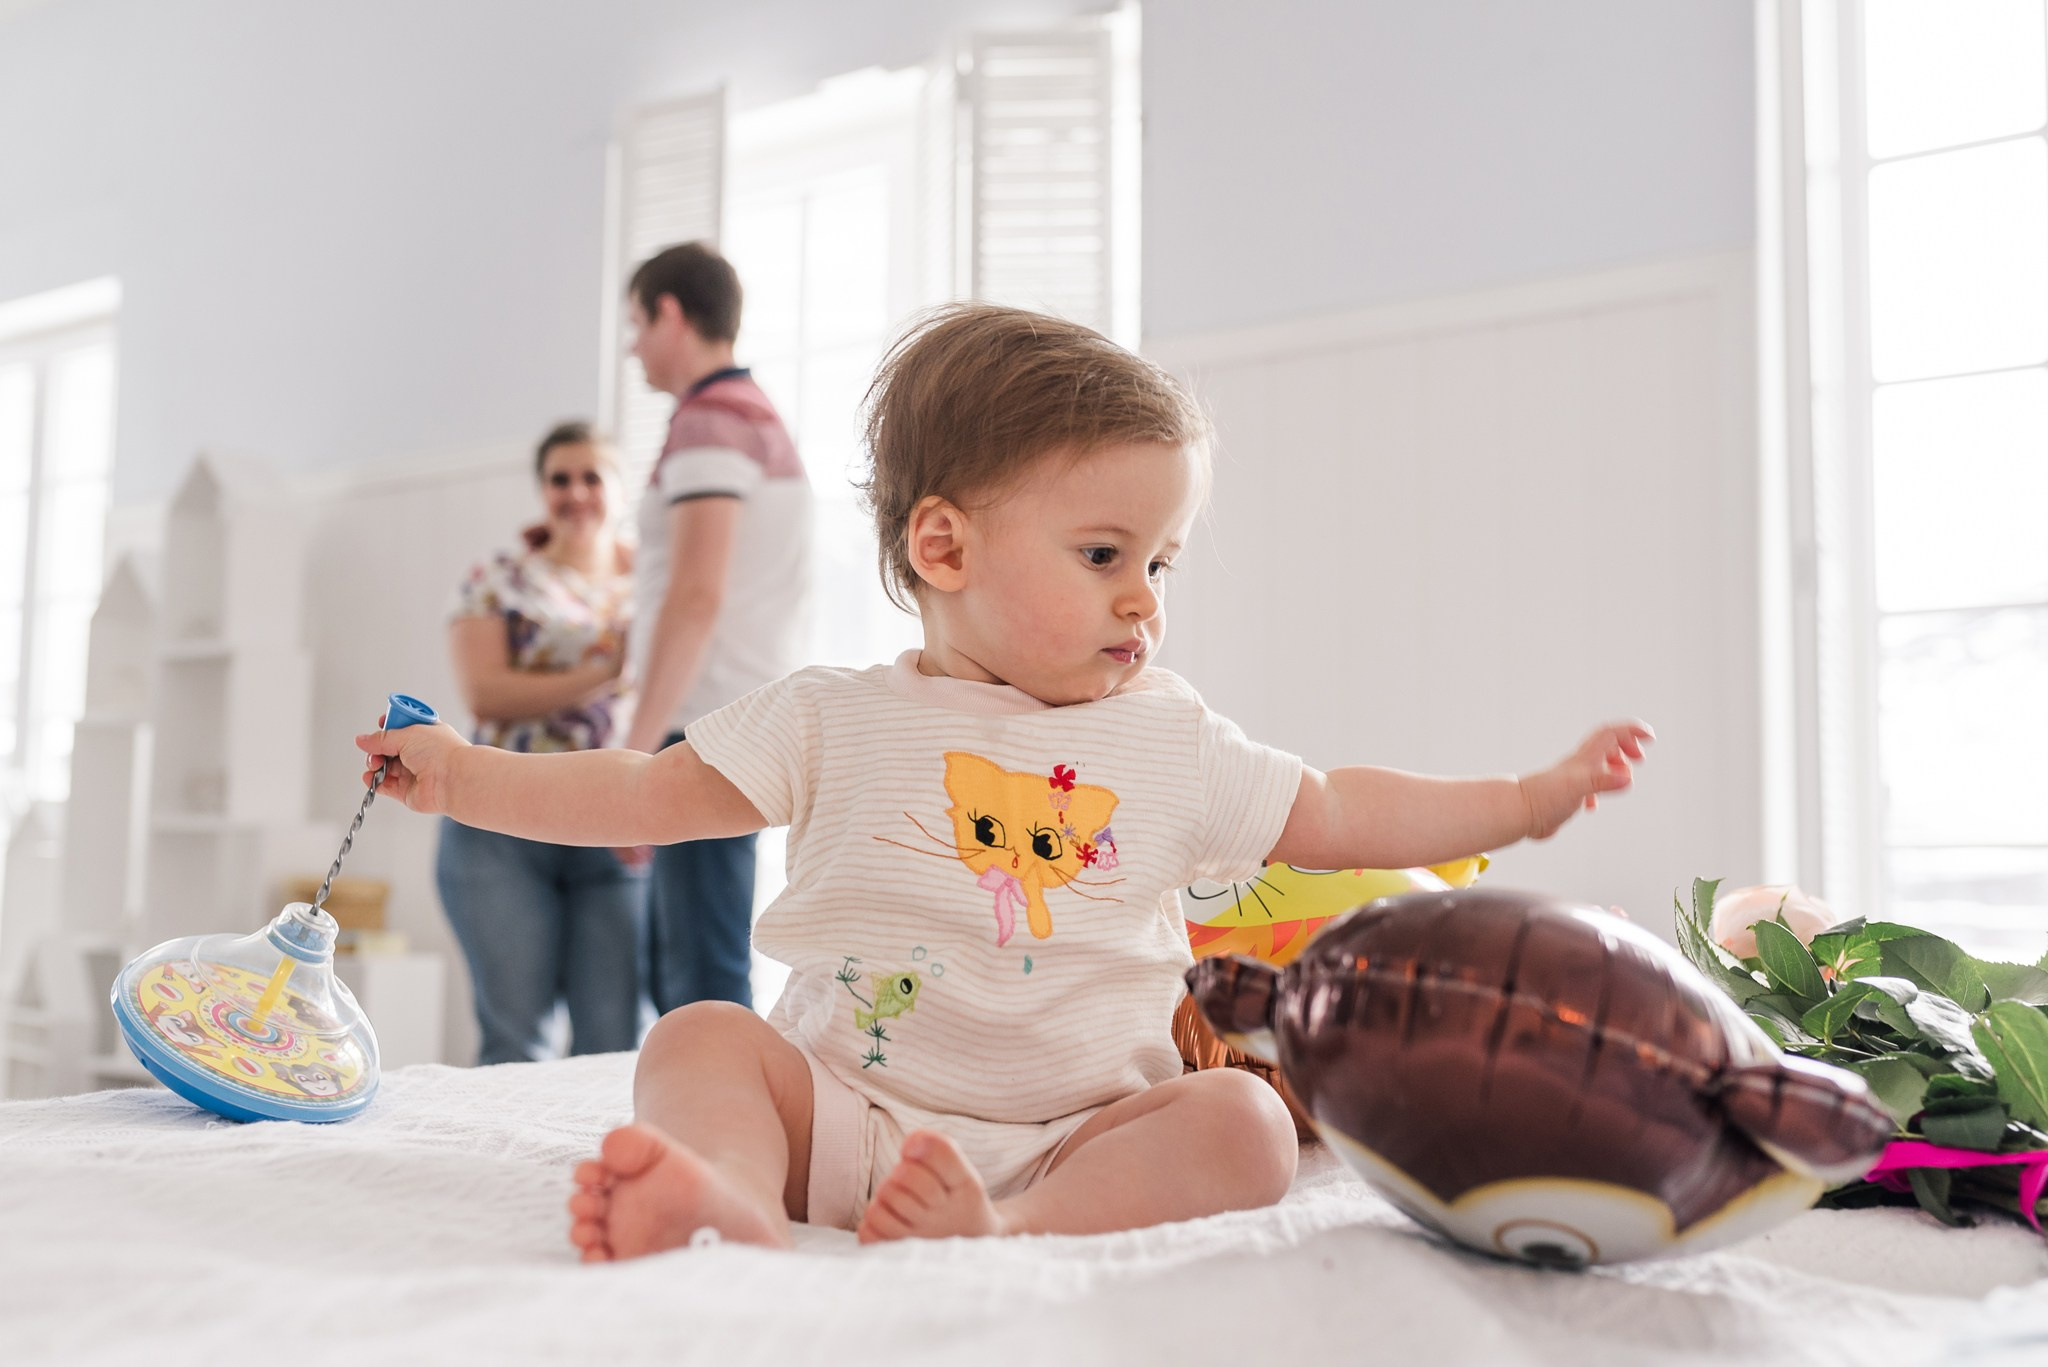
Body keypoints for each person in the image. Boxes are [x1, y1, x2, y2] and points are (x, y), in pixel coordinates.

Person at [359, 304, 1652, 1254]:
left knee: (1244, 1126)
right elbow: (641, 792)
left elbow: (1341, 809)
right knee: (699, 1036)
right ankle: (737, 1196)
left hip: (1080, 1131)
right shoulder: (832, 715)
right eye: (1104, 551)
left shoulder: (1168, 735)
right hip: (848, 1115)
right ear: (945, 542)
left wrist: (1525, 796)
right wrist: (464, 773)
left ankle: (1009, 1222)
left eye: (1165, 559)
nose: (1144, 595)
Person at [619, 241, 812, 1013]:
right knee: (696, 956)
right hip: (732, 717)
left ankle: (710, 1130)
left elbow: (697, 594)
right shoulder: (753, 416)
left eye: (636, 322)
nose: (633, 345)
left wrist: (633, 749)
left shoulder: (711, 423)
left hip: (704, 724)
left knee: (697, 971)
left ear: (671, 314)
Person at [434, 421, 646, 1064]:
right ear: (541, 490)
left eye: (592, 477)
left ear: (620, 489)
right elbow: (487, 695)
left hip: (614, 822)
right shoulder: (498, 579)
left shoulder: (654, 584)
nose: (575, 492)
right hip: (501, 824)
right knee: (515, 1036)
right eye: (560, 479)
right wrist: (607, 672)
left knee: (613, 1040)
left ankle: (608, 1165)